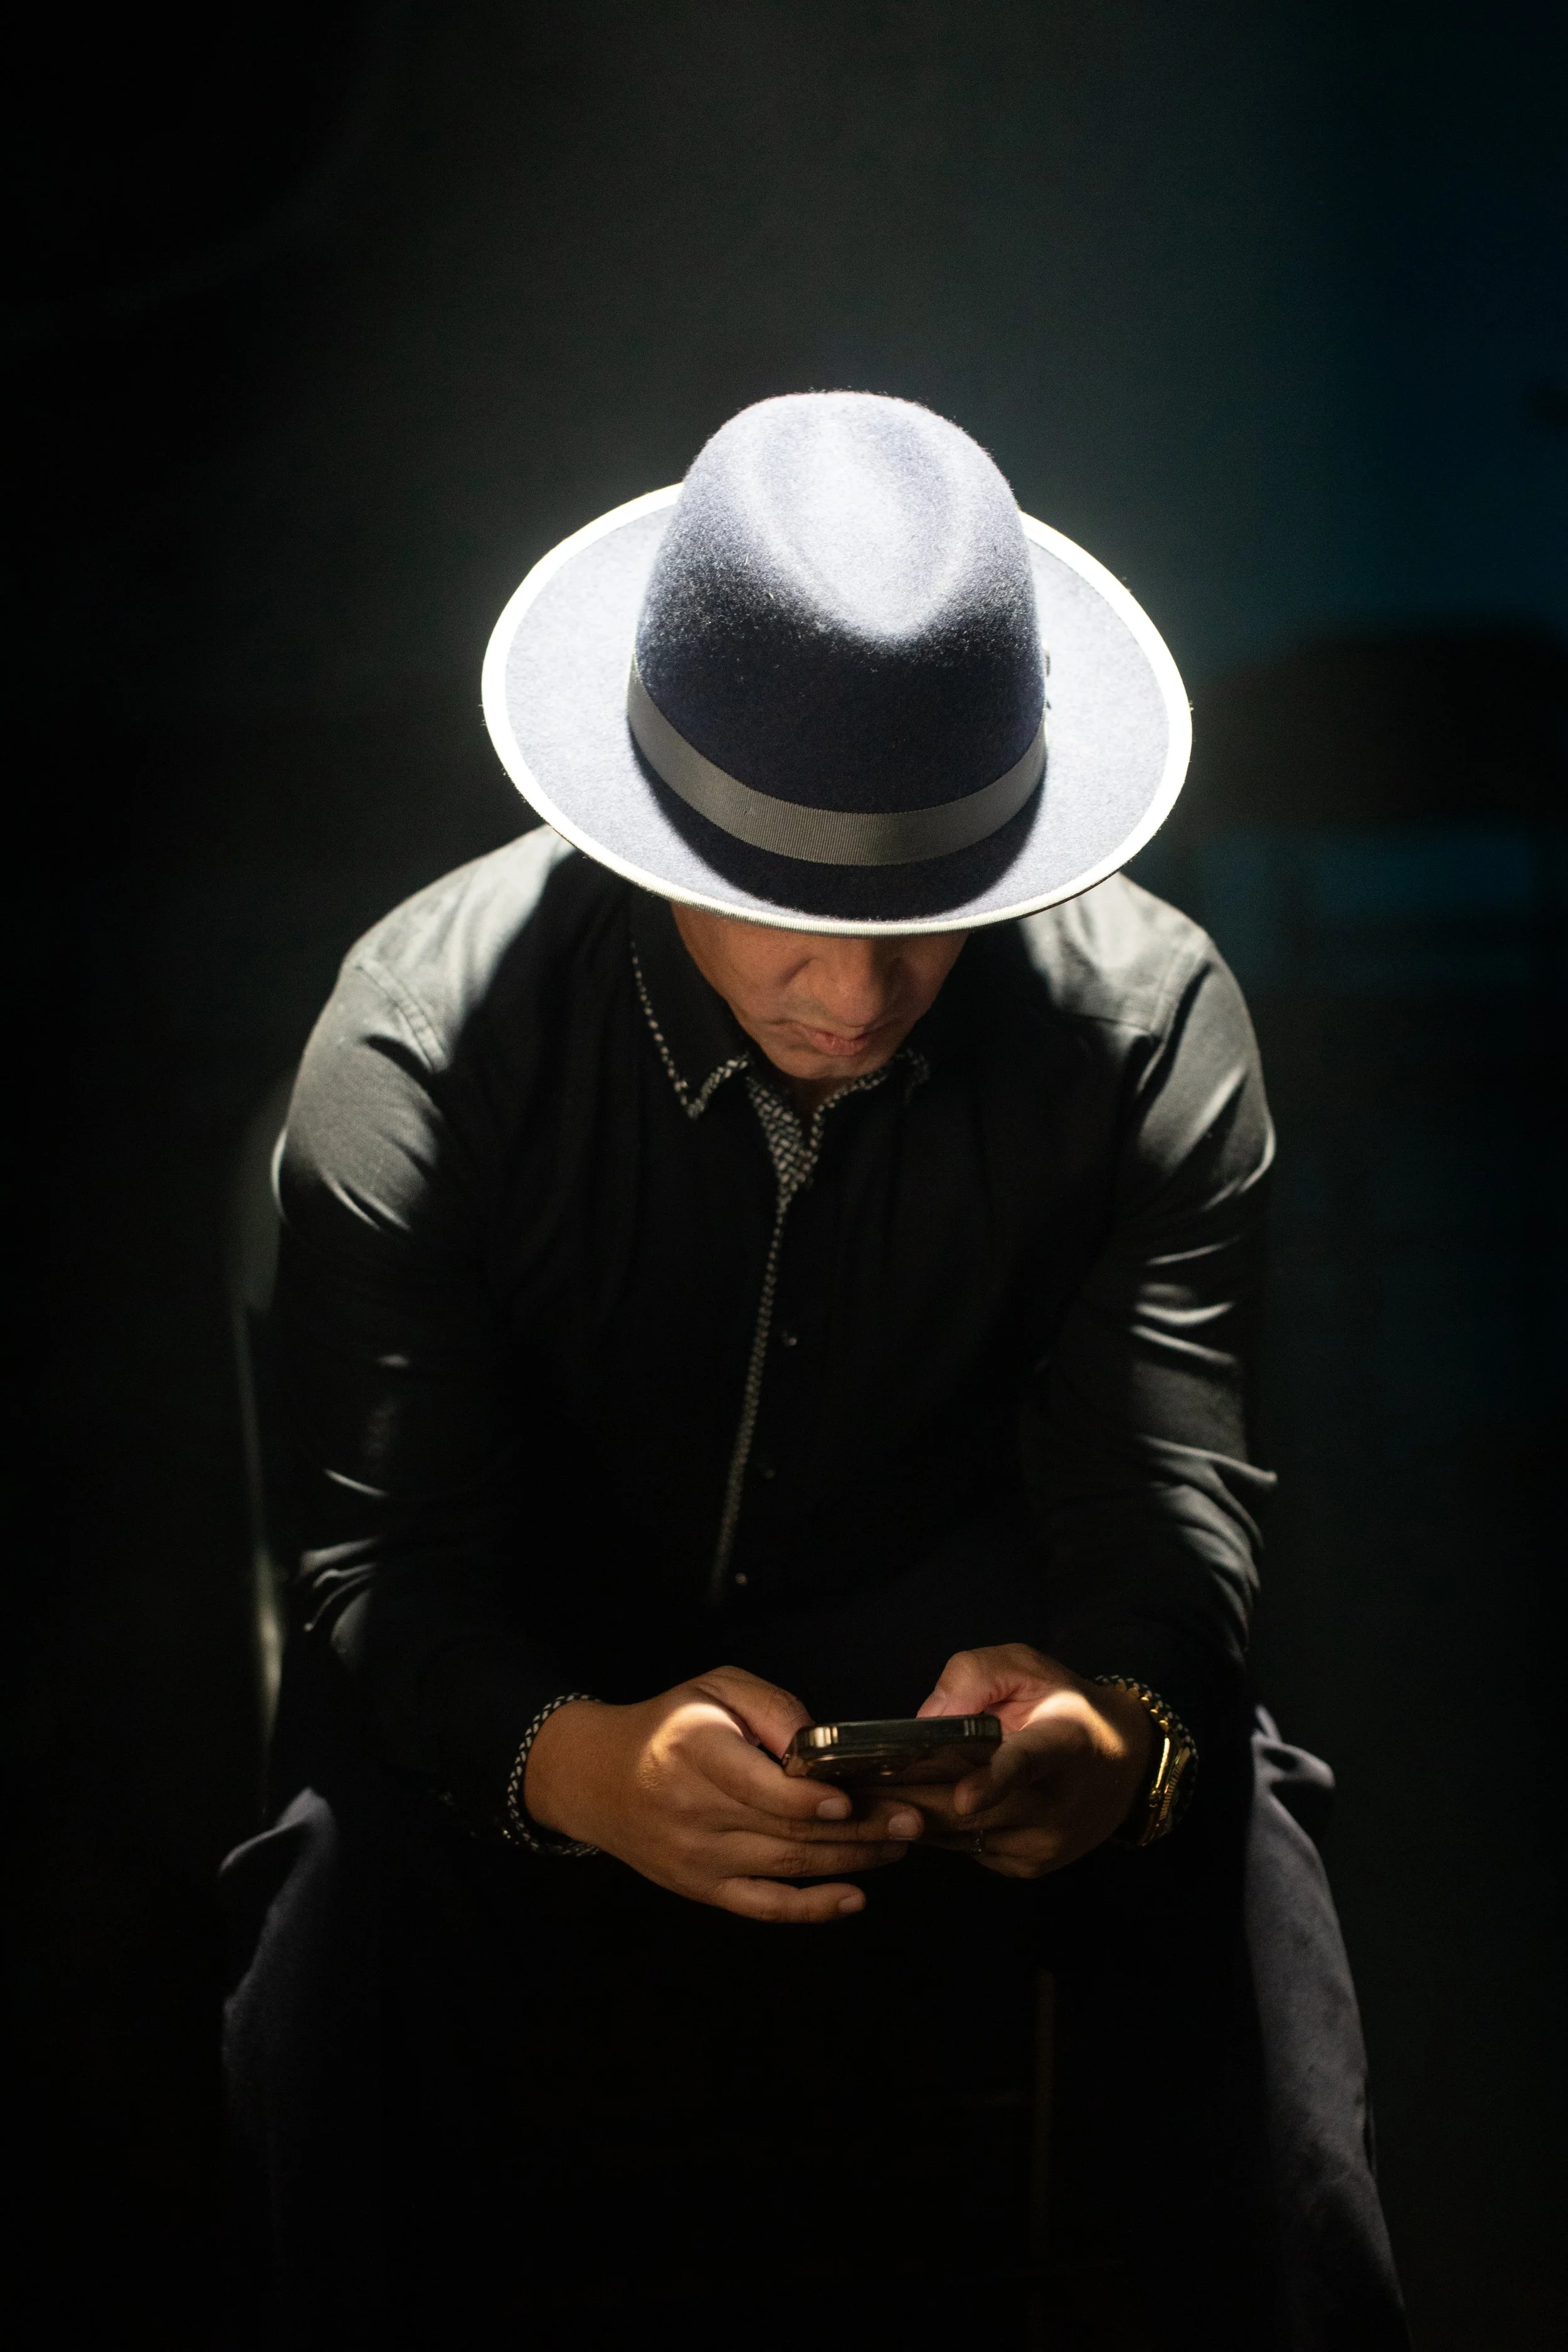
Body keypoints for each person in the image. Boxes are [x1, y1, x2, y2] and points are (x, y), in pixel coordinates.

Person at [223, 393, 1407, 2349]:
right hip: (531, 1667)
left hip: (959, 1663)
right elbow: (383, 1579)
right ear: (641, 812)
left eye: (929, 911)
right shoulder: (421, 1037)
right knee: (326, 1910)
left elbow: (1169, 1514)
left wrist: (1115, 1734)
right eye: (782, 898)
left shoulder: (1149, 1025)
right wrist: (574, 1762)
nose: (850, 990)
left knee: (1238, 1828)